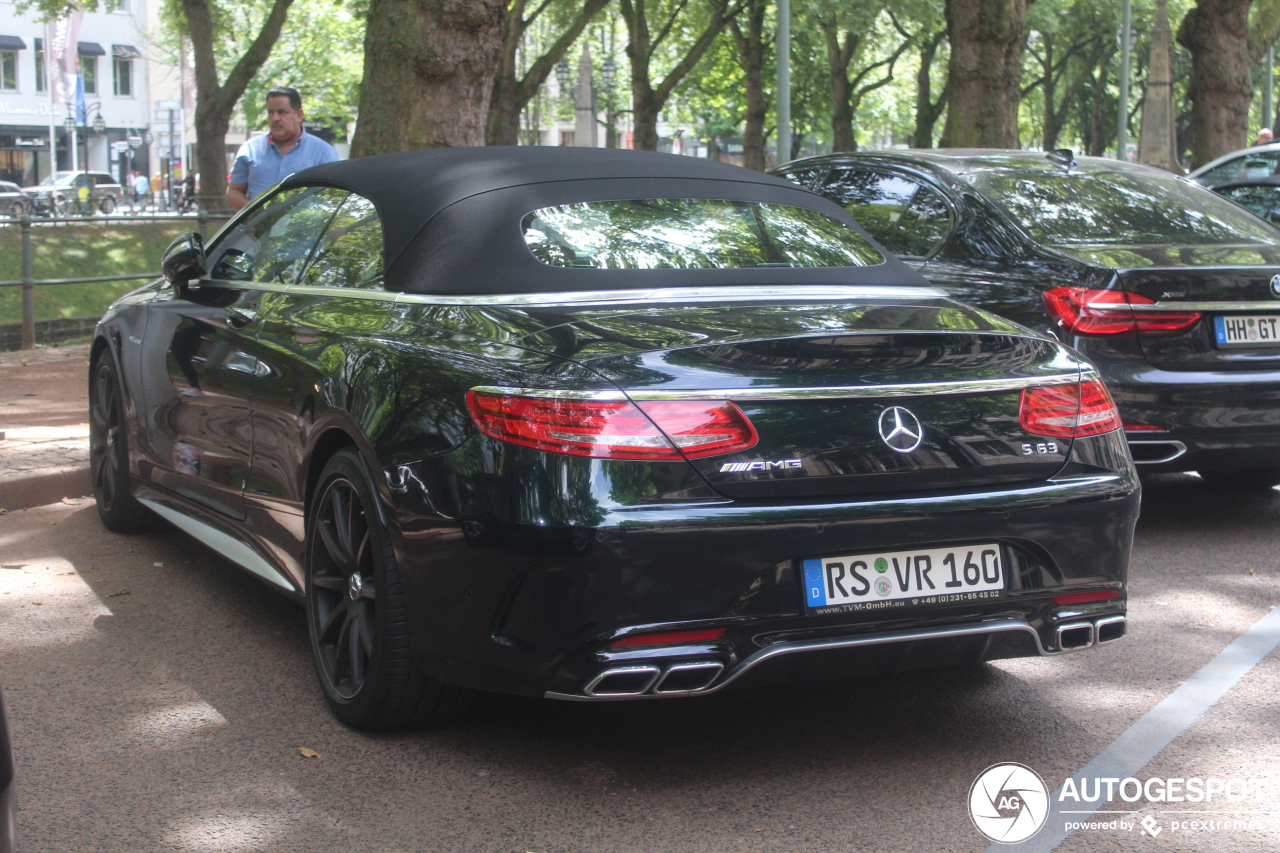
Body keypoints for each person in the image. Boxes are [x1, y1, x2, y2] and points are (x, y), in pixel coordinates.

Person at [226, 86, 339, 210]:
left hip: (304, 227)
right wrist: (256, 214)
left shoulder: (323, 153)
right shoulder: (250, 149)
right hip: (257, 228)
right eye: (271, 113)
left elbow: (333, 198)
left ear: (299, 115)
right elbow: (234, 191)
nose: (275, 118)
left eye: (282, 112)